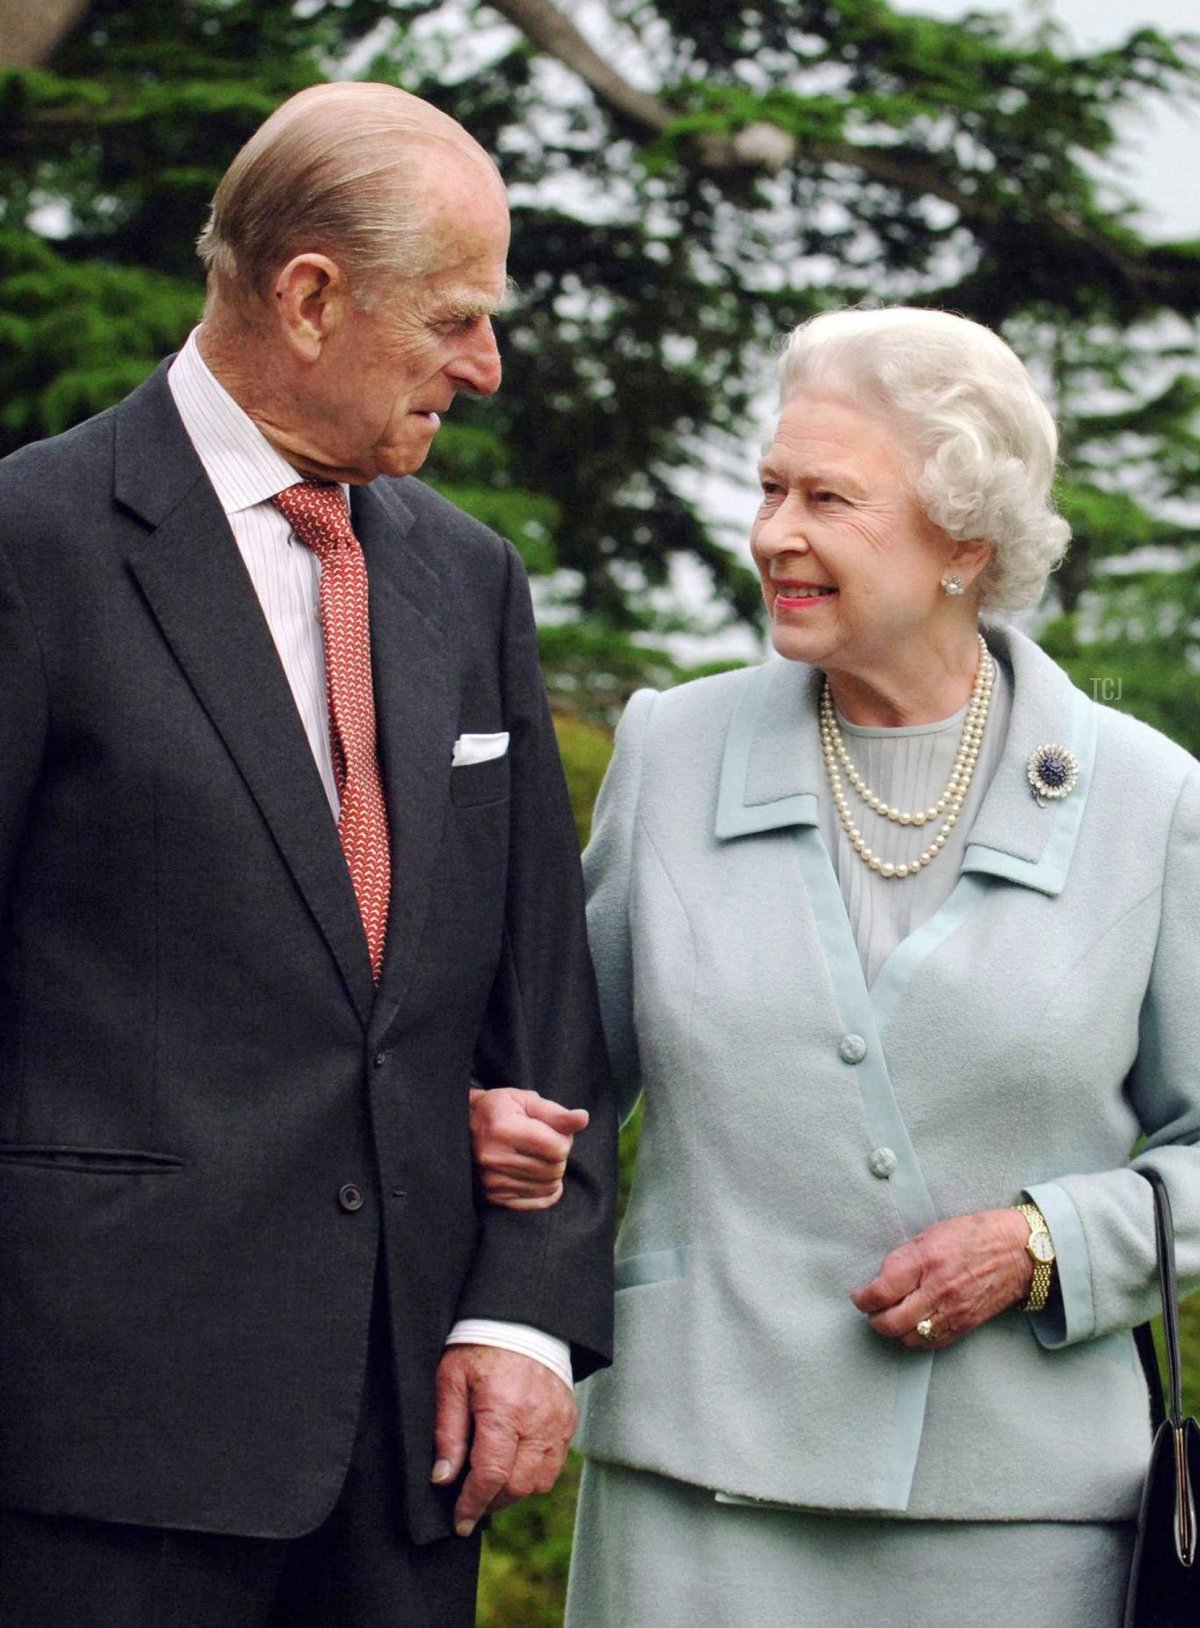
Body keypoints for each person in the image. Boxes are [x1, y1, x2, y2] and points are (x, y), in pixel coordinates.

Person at [469, 306, 1200, 1628]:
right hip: (695, 1495)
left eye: (828, 499)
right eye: (767, 488)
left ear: (964, 541)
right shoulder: (673, 751)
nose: (773, 534)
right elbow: (557, 1078)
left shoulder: (1148, 800)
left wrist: (1046, 1242)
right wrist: (490, 1118)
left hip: (1022, 1526)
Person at [0, 81, 615, 1627]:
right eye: (458, 319)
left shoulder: (468, 580)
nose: (485, 366)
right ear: (313, 296)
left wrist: (526, 1323)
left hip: (412, 1449)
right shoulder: (31, 547)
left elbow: (543, 1004)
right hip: (94, 1446)